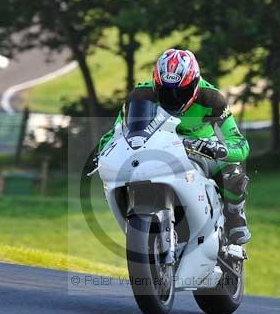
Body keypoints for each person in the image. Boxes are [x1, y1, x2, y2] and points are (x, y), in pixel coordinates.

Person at [98, 49, 251, 245]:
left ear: (195, 83)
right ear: (156, 82)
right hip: (157, 150)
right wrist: (104, 149)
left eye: (182, 92)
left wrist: (219, 148)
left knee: (232, 172)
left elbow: (239, 142)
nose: (173, 98)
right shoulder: (140, 95)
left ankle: (235, 216)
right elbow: (117, 132)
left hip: (199, 150)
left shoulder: (211, 99)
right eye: (165, 91)